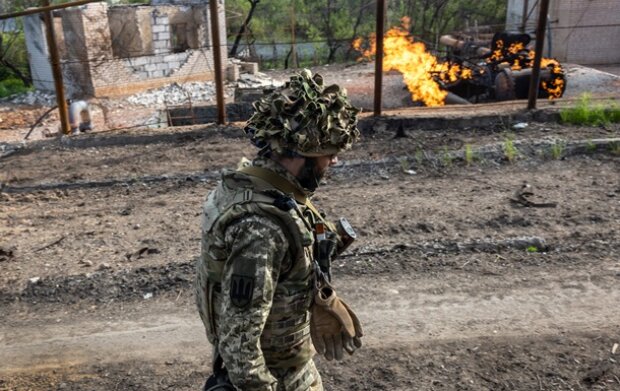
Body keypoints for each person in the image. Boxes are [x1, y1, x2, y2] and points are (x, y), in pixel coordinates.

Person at [195, 69, 363, 391]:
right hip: (277, 377)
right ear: (303, 154)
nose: (335, 162)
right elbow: (240, 345)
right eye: (330, 155)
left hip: (292, 367)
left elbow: (283, 264)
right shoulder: (261, 228)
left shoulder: (266, 185)